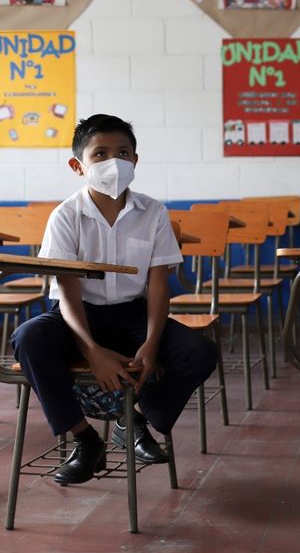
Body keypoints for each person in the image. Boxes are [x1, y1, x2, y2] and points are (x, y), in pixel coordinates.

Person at [11, 114, 217, 485]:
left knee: (199, 352)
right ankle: (86, 440)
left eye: (123, 152)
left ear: (135, 161)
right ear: (78, 166)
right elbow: (68, 291)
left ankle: (131, 419)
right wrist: (91, 349)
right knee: (29, 338)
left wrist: (151, 346)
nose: (114, 162)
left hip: (133, 316)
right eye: (100, 154)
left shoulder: (152, 212)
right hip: (78, 316)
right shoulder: (65, 216)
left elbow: (157, 286)